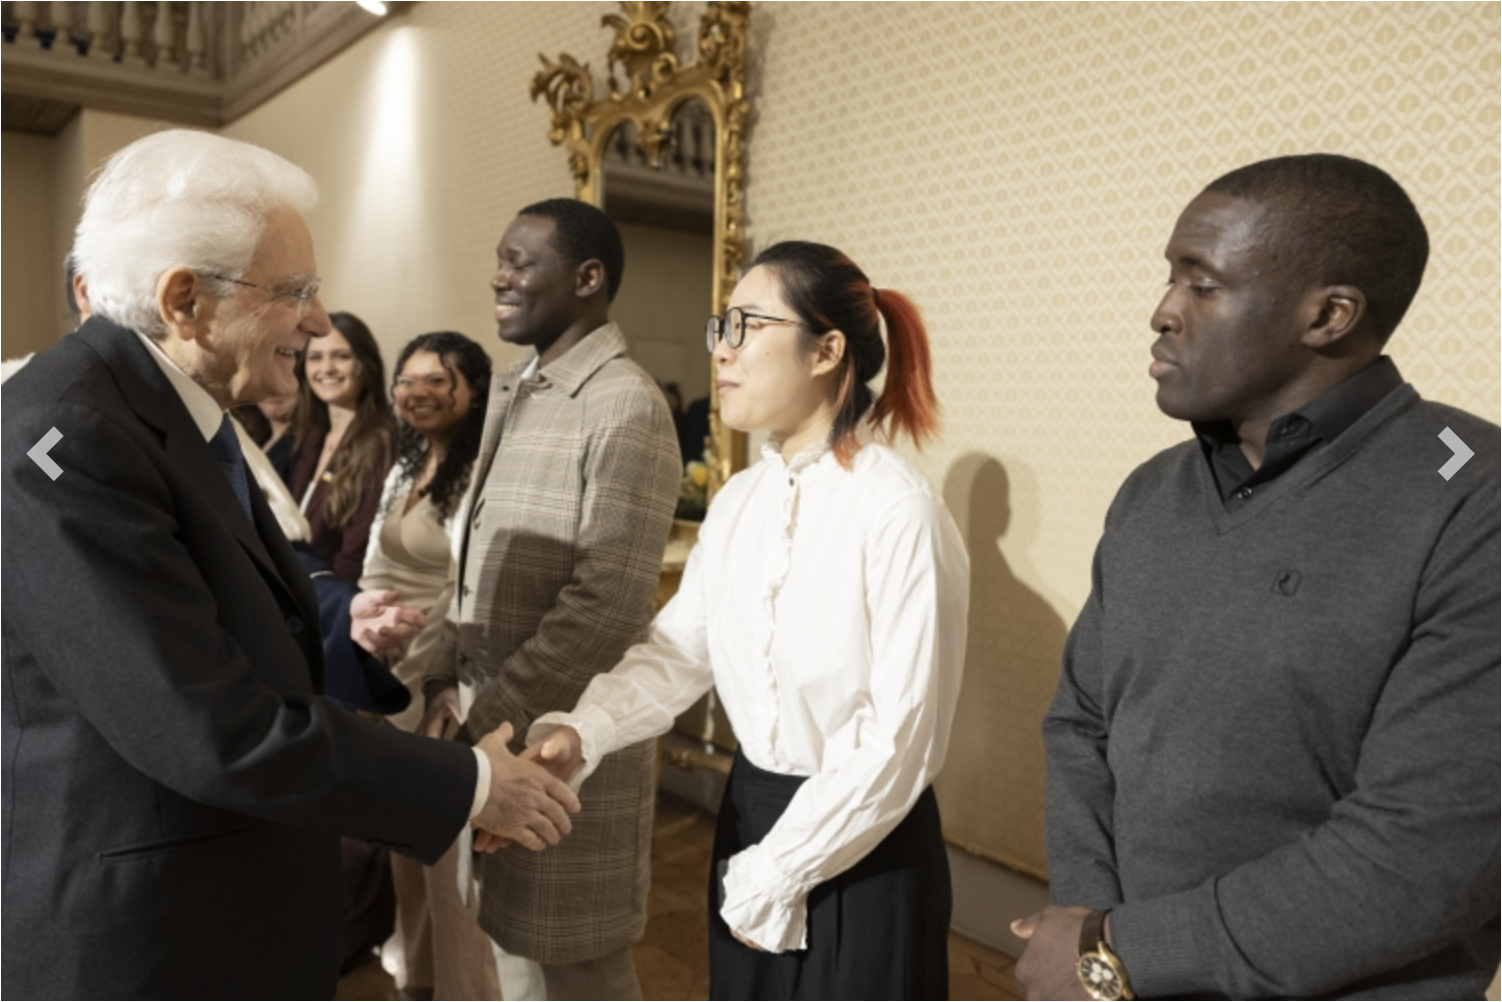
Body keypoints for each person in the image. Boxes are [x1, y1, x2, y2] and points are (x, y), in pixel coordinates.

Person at [0, 129, 580, 999]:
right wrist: (469, 784)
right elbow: (210, 727)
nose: (319, 321)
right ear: (185, 300)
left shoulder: (150, 413)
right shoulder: (74, 435)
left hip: (218, 907)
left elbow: (239, 608)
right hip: (152, 941)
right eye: (295, 291)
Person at [1014, 154, 1500, 1000]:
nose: (1163, 311)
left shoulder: (1472, 497)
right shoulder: (1153, 491)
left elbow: (1427, 852)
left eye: (1202, 284)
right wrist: (1093, 928)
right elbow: (1081, 725)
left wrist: (1127, 952)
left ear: (1329, 315)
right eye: (1171, 278)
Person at [526, 240, 970, 999]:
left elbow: (899, 741)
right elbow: (679, 650)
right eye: (720, 327)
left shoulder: (897, 510)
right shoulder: (739, 502)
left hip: (863, 837)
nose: (722, 351)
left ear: (827, 350)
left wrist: (775, 871)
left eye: (746, 326)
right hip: (752, 813)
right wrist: (586, 729)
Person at [419, 198, 681, 1000]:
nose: (499, 277)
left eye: (520, 262)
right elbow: (474, 557)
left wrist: (487, 719)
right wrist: (442, 677)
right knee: (512, 958)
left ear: (588, 278)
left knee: (579, 969)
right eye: (499, 260)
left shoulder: (624, 402)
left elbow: (607, 602)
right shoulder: (519, 386)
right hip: (494, 730)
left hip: (562, 748)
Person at [362, 331, 502, 999]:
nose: (417, 393)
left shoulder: (482, 476)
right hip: (390, 667)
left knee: (450, 869)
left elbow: (465, 590)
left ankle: (459, 989)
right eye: (407, 380)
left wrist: (432, 677)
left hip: (443, 679)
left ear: (474, 391)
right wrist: (368, 640)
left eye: (437, 380)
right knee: (405, 855)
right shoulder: (406, 465)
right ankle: (416, 983)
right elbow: (375, 562)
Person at [291, 311, 394, 582]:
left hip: (337, 594)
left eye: (341, 356)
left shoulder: (377, 442)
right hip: (302, 584)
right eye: (315, 357)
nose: (326, 368)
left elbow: (355, 553)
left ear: (365, 365)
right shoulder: (313, 437)